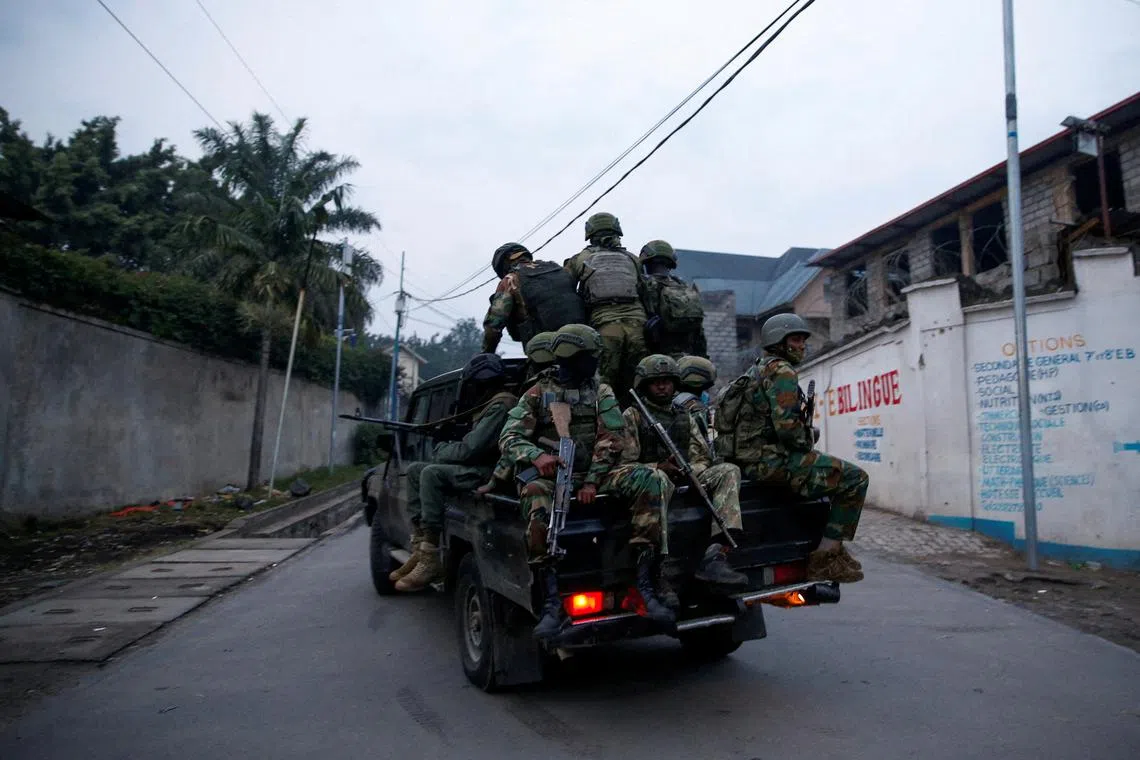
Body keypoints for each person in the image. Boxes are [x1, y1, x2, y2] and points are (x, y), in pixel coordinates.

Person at [498, 323, 675, 639]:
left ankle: (645, 584)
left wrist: (592, 481)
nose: (596, 361)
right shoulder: (538, 393)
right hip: (551, 477)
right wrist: (536, 456)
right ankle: (551, 601)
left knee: (651, 479)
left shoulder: (601, 391)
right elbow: (509, 436)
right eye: (590, 355)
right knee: (535, 494)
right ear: (572, 355)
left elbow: (612, 438)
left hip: (597, 475)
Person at [713, 313, 867, 583]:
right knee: (854, 479)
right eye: (795, 339)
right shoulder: (782, 371)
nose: (801, 345)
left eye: (802, 340)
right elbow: (789, 431)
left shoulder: (757, 370)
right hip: (771, 462)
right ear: (778, 341)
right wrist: (807, 438)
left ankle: (831, 551)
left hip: (752, 461)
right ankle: (826, 558)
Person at [622, 354, 748, 609]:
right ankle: (659, 572)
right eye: (655, 381)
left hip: (684, 474)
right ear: (644, 385)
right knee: (657, 480)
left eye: (667, 381)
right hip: (651, 481)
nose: (662, 386)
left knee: (727, 470)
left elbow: (702, 456)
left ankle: (716, 554)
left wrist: (687, 469)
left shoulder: (683, 414)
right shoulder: (633, 415)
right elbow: (625, 464)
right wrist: (660, 467)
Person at [389, 354, 519, 592]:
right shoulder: (490, 404)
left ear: (481, 384)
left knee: (431, 474)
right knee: (417, 470)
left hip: (492, 472)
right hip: (481, 467)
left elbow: (472, 449)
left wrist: (442, 447)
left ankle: (430, 557)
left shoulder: (502, 405)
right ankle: (421, 548)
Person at [562, 213, 649, 401]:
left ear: (590, 233)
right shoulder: (632, 259)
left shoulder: (579, 259)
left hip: (604, 324)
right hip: (638, 327)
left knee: (603, 383)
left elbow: (564, 290)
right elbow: (645, 290)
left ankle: (606, 423)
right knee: (638, 382)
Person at [481, 242, 586, 354]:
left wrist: (486, 354)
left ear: (504, 264)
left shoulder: (510, 280)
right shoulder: (559, 269)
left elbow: (493, 328)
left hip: (546, 351)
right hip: (584, 342)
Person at [639, 240, 708, 360]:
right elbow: (699, 331)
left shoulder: (645, 285)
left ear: (647, 262)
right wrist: (703, 358)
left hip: (656, 356)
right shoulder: (683, 286)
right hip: (686, 356)